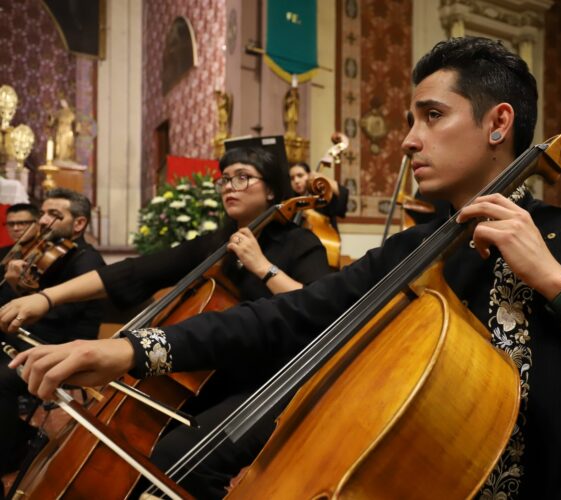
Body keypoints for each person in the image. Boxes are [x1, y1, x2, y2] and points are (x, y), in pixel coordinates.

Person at [5, 37, 561, 499]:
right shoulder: (416, 254)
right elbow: (285, 318)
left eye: (430, 117)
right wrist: (127, 350)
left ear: (498, 124)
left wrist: (554, 282)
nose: (407, 141)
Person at [0, 147, 331, 497]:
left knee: (180, 456)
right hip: (206, 372)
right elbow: (131, 272)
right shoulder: (216, 244)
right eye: (225, 178)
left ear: (271, 190)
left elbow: (316, 308)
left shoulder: (301, 244)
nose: (230, 186)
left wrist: (262, 266)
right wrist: (46, 297)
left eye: (243, 177)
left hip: (265, 376)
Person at [0, 188, 104, 476]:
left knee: (1, 380)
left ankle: (15, 451)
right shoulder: (52, 254)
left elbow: (56, 318)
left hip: (63, 348)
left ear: (79, 223)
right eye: (43, 213)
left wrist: (14, 289)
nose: (43, 221)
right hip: (32, 340)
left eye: (54, 215)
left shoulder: (87, 261)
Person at [289, 161, 349, 230]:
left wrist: (320, 176)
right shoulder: (291, 202)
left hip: (326, 238)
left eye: (300, 175)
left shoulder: (321, 196)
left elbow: (343, 194)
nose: (296, 181)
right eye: (292, 178)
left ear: (309, 175)